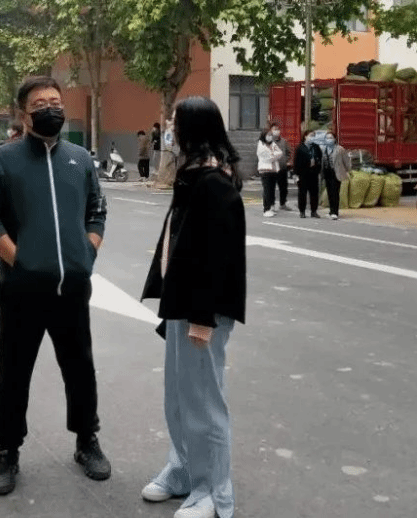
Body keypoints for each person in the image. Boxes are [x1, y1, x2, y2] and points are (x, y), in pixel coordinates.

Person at [0, 76, 110, 497]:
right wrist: (20, 260)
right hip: (21, 290)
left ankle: (86, 440)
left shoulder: (79, 158)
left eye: (55, 100)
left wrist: (86, 255)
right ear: (24, 113)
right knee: (13, 372)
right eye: (40, 103)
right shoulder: (4, 159)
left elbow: (97, 209)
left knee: (80, 368)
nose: (50, 107)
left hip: (72, 289)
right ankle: (7, 450)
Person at [140, 96, 246, 519]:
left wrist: (202, 319)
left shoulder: (214, 184)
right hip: (183, 303)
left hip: (203, 310)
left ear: (192, 129)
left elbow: (218, 259)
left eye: (175, 121)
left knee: (204, 402)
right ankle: (183, 470)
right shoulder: (193, 175)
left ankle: (214, 493)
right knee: (179, 397)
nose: (169, 126)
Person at [321, 131, 351, 220]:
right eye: (327, 138)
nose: (329, 140)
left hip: (336, 173)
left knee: (335, 192)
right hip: (327, 172)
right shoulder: (323, 149)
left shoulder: (340, 149)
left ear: (334, 139)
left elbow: (346, 161)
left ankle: (335, 212)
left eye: (331, 138)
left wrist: (347, 170)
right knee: (329, 192)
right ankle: (331, 211)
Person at [294, 129, 323, 218]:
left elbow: (320, 158)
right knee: (302, 193)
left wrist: (317, 167)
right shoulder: (300, 148)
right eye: (311, 135)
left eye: (313, 136)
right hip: (303, 173)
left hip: (314, 173)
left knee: (314, 193)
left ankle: (314, 211)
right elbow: (296, 162)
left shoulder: (316, 147)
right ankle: (302, 211)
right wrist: (296, 174)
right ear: (305, 136)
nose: (312, 138)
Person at [257, 129, 284, 218]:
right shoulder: (261, 145)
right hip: (265, 170)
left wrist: (273, 155)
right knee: (267, 190)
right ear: (264, 135)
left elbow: (280, 153)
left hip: (274, 170)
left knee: (272, 189)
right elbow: (267, 158)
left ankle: (271, 206)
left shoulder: (273, 144)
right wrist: (274, 155)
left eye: (271, 135)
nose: (270, 137)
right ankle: (266, 209)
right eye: (268, 135)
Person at [269, 123, 293, 211]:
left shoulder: (284, 141)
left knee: (283, 187)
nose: (277, 131)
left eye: (278, 129)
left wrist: (287, 161)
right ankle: (271, 204)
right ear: (270, 131)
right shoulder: (268, 142)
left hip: (282, 168)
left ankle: (283, 204)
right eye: (274, 129)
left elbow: (289, 152)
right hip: (272, 169)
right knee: (271, 187)